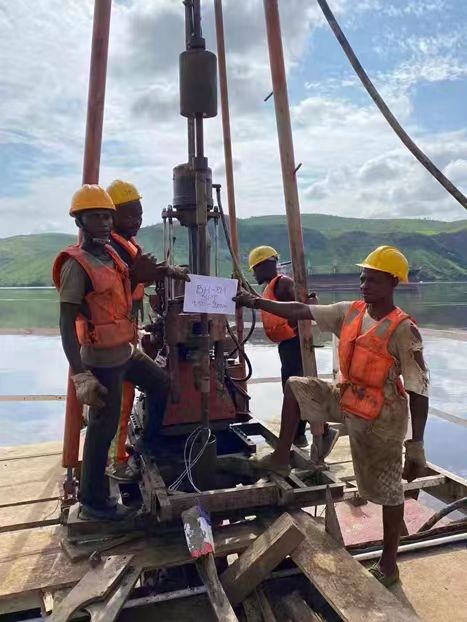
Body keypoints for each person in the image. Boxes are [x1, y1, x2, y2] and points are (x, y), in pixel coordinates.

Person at [234, 246, 429, 587]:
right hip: (347, 398)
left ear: (393, 282)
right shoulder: (349, 312)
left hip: (382, 417)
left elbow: (419, 388)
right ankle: (281, 457)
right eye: (362, 277)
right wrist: (257, 302)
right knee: (296, 386)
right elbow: (301, 310)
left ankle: (388, 564)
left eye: (372, 279)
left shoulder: (402, 329)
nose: (364, 284)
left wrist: (416, 445)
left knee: (386, 491)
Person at [53, 184, 185, 521]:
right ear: (79, 220)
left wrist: (167, 271)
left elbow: (131, 281)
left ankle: (148, 445)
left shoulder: (111, 255)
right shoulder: (76, 264)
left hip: (125, 350)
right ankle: (95, 503)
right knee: (103, 428)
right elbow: (66, 326)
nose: (103, 223)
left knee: (161, 383)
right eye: (95, 217)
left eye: (107, 216)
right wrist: (79, 374)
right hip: (100, 360)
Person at [104, 179, 186, 482]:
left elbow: (141, 271)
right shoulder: (112, 248)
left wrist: (168, 270)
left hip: (125, 337)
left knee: (151, 386)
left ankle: (143, 447)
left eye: (139, 214)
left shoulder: (127, 245)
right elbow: (127, 280)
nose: (136, 221)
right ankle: (118, 462)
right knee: (121, 403)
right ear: (111, 216)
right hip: (110, 343)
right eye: (129, 215)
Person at [248, 245, 339, 459]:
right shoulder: (272, 287)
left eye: (255, 268)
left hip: (296, 344)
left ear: (265, 265)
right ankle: (299, 435)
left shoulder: (283, 283)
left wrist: (308, 303)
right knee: (291, 389)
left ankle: (322, 431)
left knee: (297, 389)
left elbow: (301, 306)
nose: (254, 273)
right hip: (287, 344)